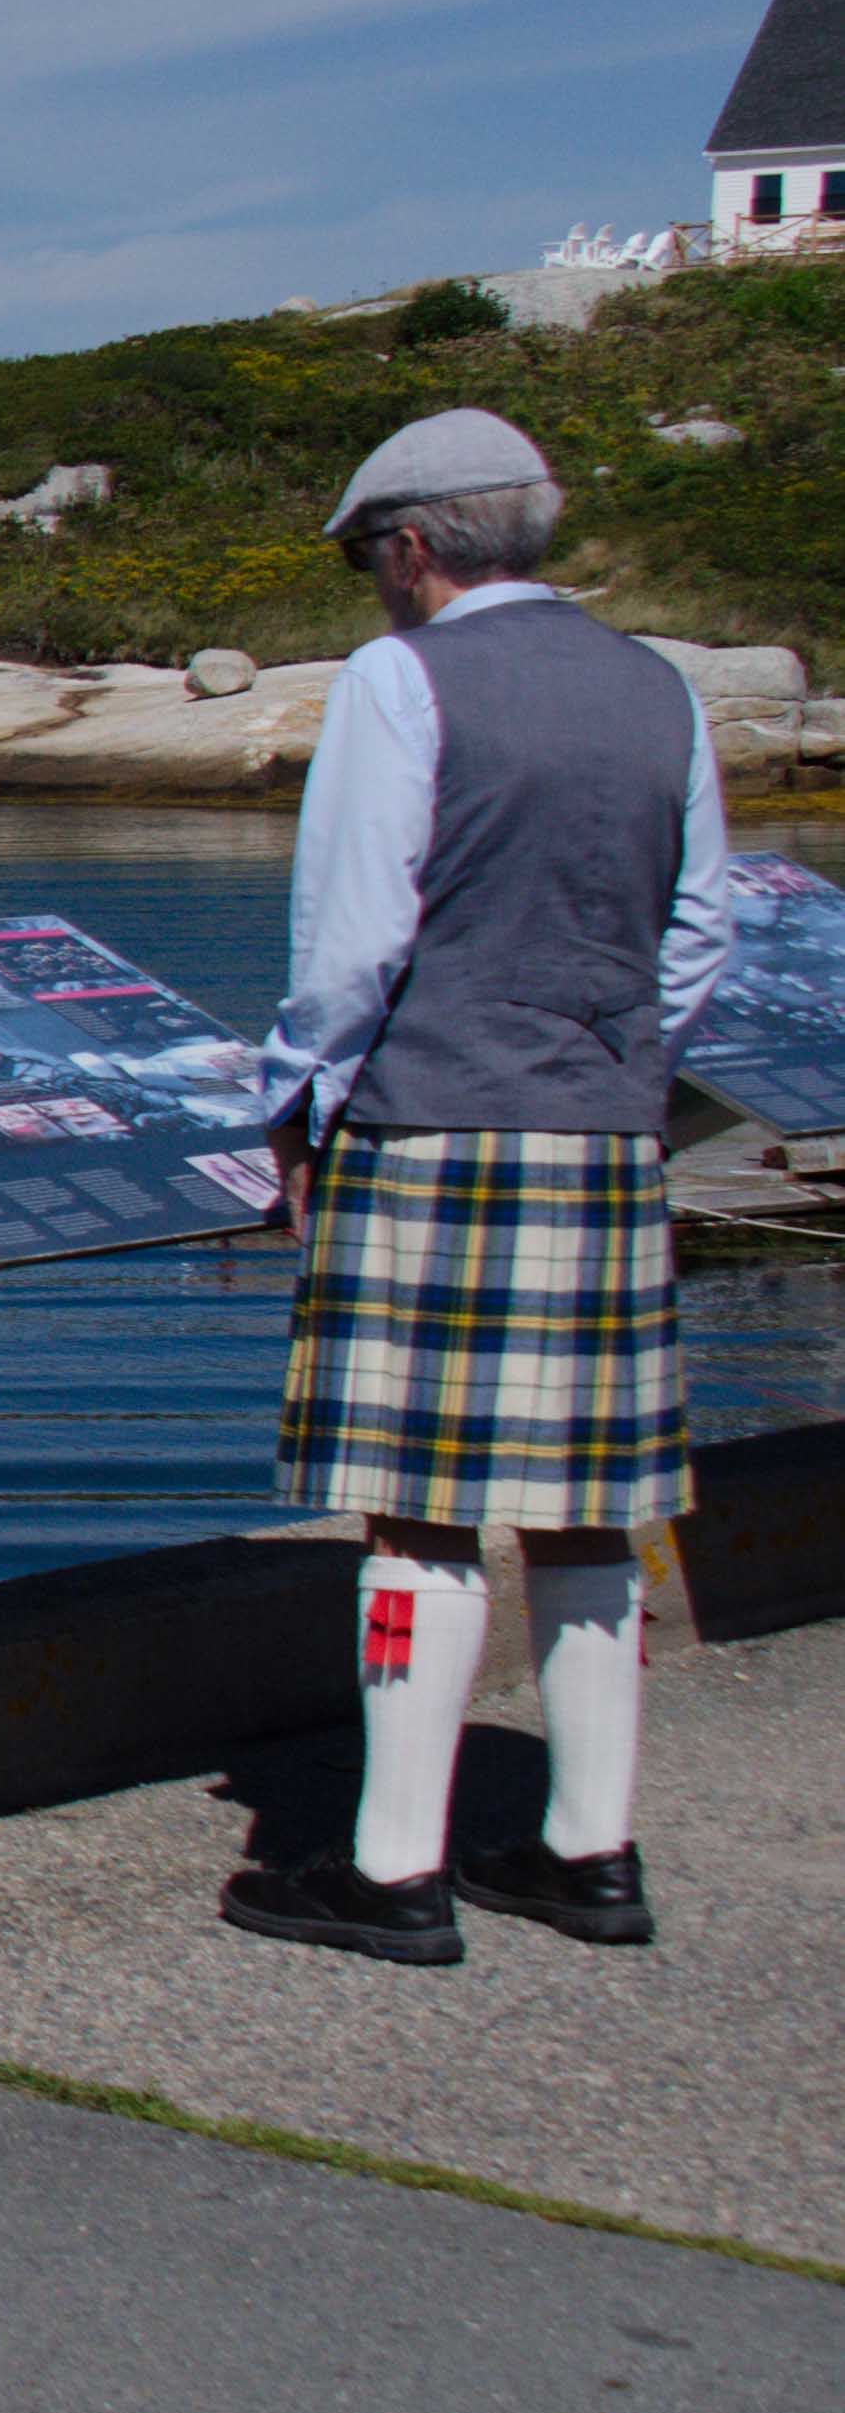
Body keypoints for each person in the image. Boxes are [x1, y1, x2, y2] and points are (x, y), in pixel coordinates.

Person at [225, 407, 732, 1965]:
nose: (373, 583)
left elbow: (358, 938)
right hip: (599, 1133)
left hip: (429, 1121)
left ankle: (391, 1871)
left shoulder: (401, 680)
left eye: (370, 556)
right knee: (592, 1512)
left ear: (414, 545)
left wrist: (289, 1100)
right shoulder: (660, 688)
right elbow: (696, 931)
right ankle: (588, 1856)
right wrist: (605, 1065)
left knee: (419, 1514)